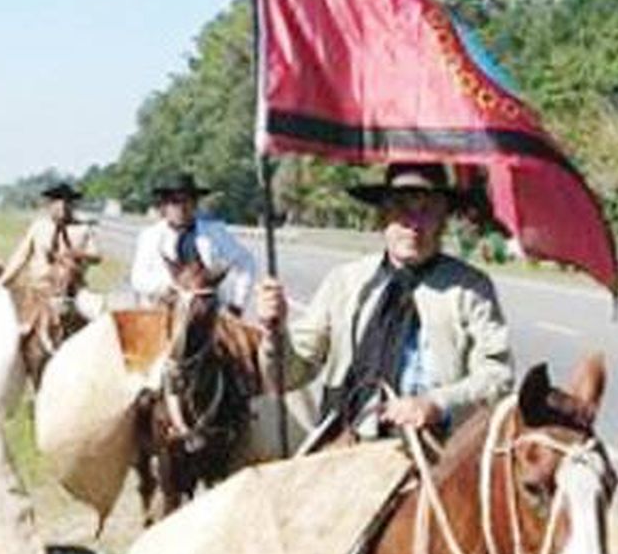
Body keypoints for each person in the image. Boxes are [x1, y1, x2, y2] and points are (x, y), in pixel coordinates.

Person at [256, 161, 513, 441]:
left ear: (443, 220)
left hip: (435, 450)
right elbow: (286, 376)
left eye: (427, 211)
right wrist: (274, 332)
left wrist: (438, 403)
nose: (413, 224)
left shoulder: (470, 289)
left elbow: (497, 376)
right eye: (401, 208)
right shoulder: (345, 283)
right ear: (383, 217)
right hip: (346, 442)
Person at [129, 171, 257, 314]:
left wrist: (237, 304)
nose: (181, 208)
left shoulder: (215, 233)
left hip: (209, 313)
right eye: (174, 202)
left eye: (186, 201)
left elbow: (246, 262)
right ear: (164, 207)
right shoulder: (150, 237)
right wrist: (173, 284)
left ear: (194, 204)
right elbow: (138, 279)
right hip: (162, 312)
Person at [0, 182, 100, 290]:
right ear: (49, 204)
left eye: (67, 200)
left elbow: (96, 257)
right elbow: (20, 257)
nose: (62, 205)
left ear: (73, 204)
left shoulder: (83, 229)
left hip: (72, 290)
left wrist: (77, 253)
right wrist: (1, 283)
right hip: (40, 288)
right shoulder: (39, 227)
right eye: (57, 200)